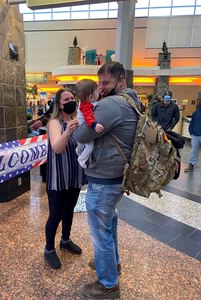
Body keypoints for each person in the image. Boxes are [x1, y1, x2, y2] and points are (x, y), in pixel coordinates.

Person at [73, 61, 141, 299]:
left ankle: (108, 284)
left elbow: (82, 133)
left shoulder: (112, 105)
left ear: (121, 81)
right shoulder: (132, 100)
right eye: (99, 83)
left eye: (106, 83)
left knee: (99, 231)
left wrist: (76, 126)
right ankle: (114, 263)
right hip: (115, 175)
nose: (101, 88)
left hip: (104, 179)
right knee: (109, 222)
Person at [44, 88, 85, 269]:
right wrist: (68, 131)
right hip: (58, 178)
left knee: (69, 210)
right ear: (59, 105)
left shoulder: (78, 121)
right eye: (65, 99)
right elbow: (57, 148)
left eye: (72, 98)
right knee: (56, 214)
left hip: (74, 177)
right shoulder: (54, 123)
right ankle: (49, 249)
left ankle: (65, 240)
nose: (70, 101)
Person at [76, 79, 104, 168]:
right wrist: (94, 125)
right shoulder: (86, 107)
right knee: (89, 147)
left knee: (82, 144)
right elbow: (88, 118)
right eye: (97, 91)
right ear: (91, 97)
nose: (99, 92)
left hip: (81, 127)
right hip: (86, 127)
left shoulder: (85, 103)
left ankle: (78, 151)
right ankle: (82, 159)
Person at [184, 102, 201, 172]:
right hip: (195, 135)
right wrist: (191, 132)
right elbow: (192, 123)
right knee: (193, 151)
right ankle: (191, 165)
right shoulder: (196, 113)